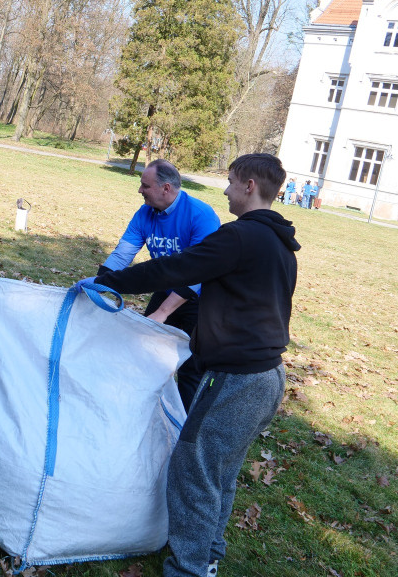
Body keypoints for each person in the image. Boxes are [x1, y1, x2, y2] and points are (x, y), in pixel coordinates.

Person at [81, 153, 298, 577]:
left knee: (192, 468)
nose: (226, 190)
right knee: (220, 468)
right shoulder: (280, 244)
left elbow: (176, 269)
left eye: (231, 181)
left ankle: (190, 568)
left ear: (250, 186)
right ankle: (208, 554)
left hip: (238, 379)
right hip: (268, 376)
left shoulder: (238, 237)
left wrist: (108, 281)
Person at [94, 159, 219, 410]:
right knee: (145, 350)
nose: (139, 190)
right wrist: (97, 285)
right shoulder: (145, 213)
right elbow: (122, 254)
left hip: (201, 298)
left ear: (166, 188)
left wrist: (163, 312)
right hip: (167, 288)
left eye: (145, 185)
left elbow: (199, 274)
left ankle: (182, 425)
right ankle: (138, 408)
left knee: (190, 368)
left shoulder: (201, 215)